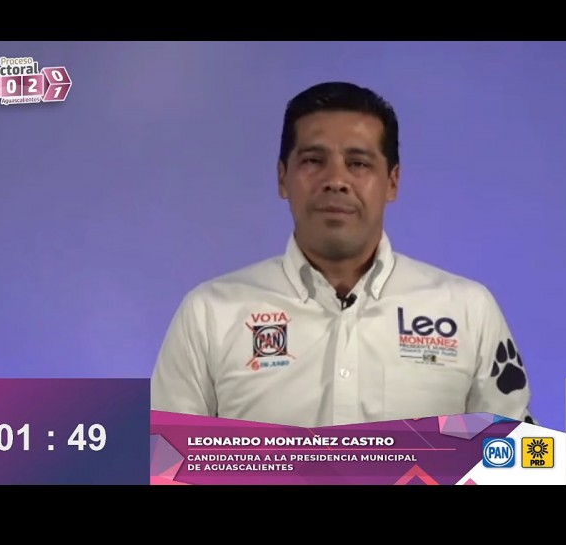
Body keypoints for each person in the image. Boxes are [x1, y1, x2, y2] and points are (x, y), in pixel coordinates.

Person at [150, 81, 536, 428]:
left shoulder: (468, 310)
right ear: (283, 178)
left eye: (358, 163)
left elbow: (517, 463)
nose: (335, 180)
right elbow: (160, 461)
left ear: (392, 182)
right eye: (313, 161)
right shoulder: (210, 314)